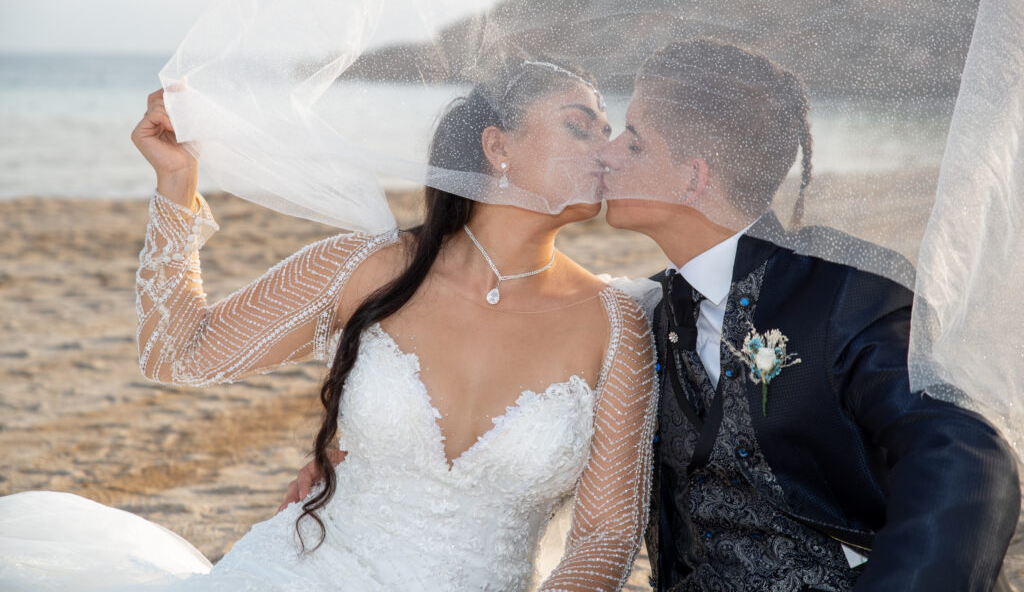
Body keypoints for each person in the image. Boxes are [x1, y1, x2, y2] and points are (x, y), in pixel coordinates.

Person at [0, 61, 658, 591]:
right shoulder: (367, 266)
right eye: (581, 126)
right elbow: (181, 351)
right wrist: (178, 179)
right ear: (498, 147)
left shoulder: (613, 322)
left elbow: (605, 537)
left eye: (609, 130)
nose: (606, 148)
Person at [594, 38, 1021, 591]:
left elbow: (965, 454)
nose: (605, 154)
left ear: (693, 178)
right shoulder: (651, 311)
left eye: (633, 142)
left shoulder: (845, 290)